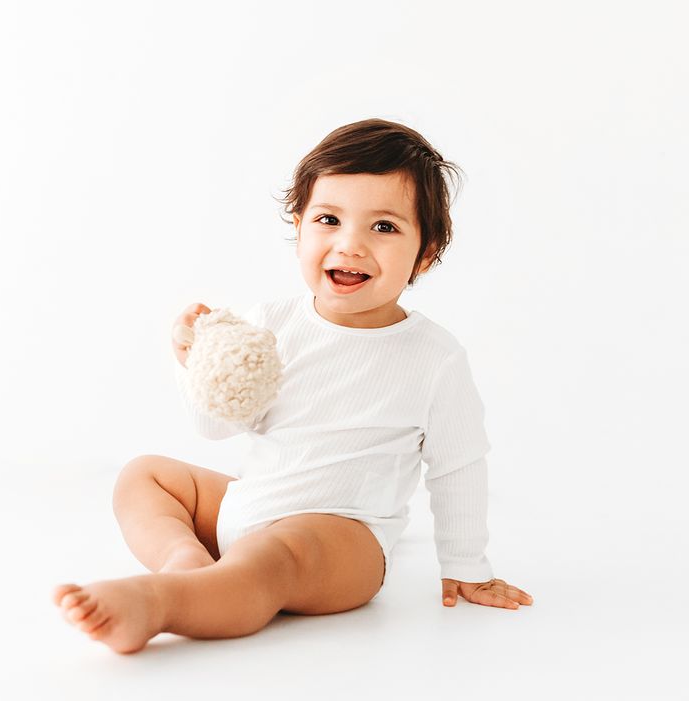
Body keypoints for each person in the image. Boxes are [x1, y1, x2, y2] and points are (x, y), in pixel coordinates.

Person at [52, 118, 534, 654]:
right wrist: (193, 363)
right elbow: (216, 427)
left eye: (384, 227)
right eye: (329, 219)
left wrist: (466, 565)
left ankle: (160, 602)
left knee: (275, 558)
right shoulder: (271, 324)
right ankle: (184, 561)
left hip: (341, 536)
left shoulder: (433, 357)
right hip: (249, 505)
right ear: (299, 226)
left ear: (426, 253)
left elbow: (458, 464)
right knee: (144, 475)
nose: (350, 245)